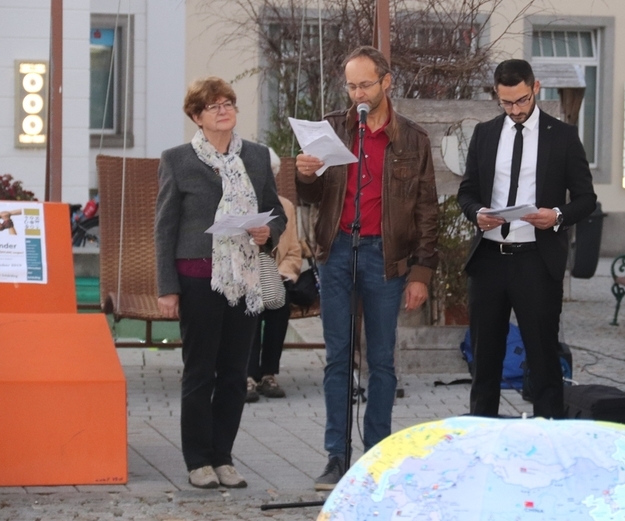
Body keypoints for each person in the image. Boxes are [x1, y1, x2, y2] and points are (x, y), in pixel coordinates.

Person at [296, 46, 439, 490]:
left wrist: (421, 273)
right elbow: (310, 197)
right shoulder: (333, 129)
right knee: (337, 357)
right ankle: (336, 457)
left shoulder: (413, 139)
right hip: (337, 251)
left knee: (381, 360)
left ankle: (377, 455)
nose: (357, 94)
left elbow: (427, 210)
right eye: (351, 86)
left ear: (386, 82)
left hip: (386, 257)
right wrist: (305, 174)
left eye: (365, 85)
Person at [155, 76, 286, 489]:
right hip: (197, 279)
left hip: (244, 278)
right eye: (213, 105)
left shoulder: (258, 156)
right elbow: (164, 228)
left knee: (234, 374)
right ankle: (197, 460)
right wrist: (167, 287)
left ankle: (223, 457)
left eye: (228, 102)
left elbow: (275, 211)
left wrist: (269, 231)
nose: (224, 110)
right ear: (197, 116)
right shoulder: (177, 160)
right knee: (200, 371)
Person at [457, 59, 596, 420]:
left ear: (535, 88)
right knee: (484, 362)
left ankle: (548, 435)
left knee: (544, 359)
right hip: (488, 260)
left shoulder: (562, 136)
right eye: (506, 103)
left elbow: (586, 199)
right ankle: (483, 432)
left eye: (521, 100)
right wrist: (477, 213)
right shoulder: (485, 134)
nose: (515, 110)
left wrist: (557, 216)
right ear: (496, 95)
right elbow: (466, 193)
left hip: (537, 259)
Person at [246, 148, 303, 402]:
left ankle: (268, 374)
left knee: (279, 302)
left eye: (270, 172)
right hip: (243, 278)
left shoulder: (285, 207)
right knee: (250, 303)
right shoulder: (237, 206)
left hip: (274, 275)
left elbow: (294, 251)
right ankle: (247, 375)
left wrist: (281, 274)